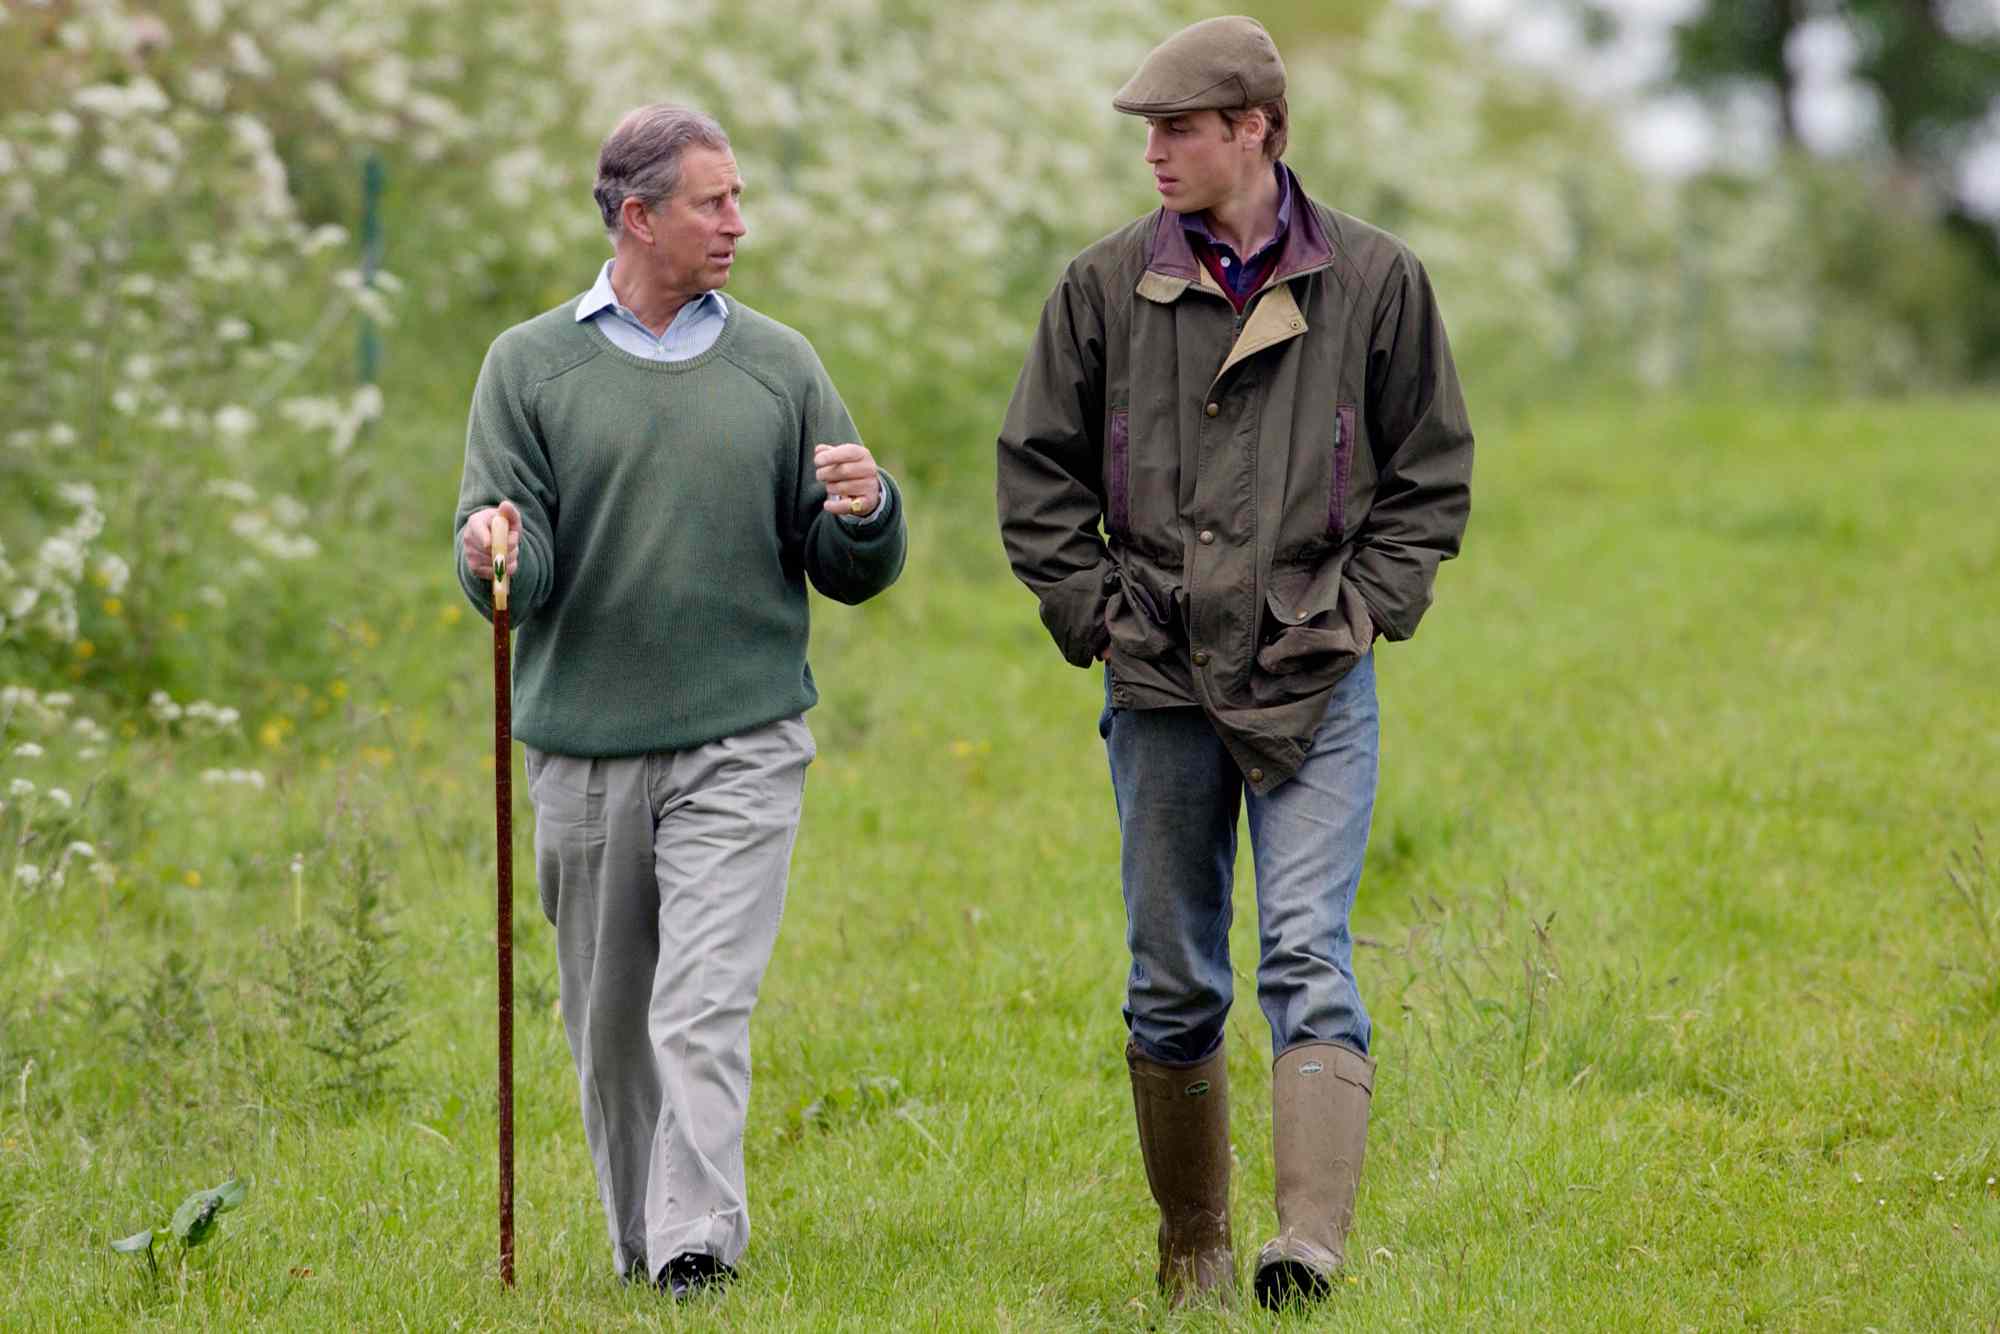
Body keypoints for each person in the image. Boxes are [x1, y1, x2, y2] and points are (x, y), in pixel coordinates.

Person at [995, 16, 1473, 1310]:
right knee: (1171, 974)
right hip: (1156, 679)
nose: (1153, 153)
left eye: (1178, 130)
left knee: (1308, 950)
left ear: (1255, 129)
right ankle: (1195, 1245)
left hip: (1317, 674)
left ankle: (1306, 1247)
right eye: (1147, 132)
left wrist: (1364, 606)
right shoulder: (1100, 291)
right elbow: (1035, 475)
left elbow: (1430, 476)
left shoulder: (1376, 284)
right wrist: (1101, 616)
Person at [453, 103, 906, 1298]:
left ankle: (696, 1244)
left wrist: (864, 512)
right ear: (637, 215)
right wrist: (492, 547)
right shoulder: (528, 366)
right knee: (610, 1030)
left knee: (700, 1002)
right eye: (714, 202)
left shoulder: (780, 364)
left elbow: (844, 567)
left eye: (739, 198)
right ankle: (638, 1244)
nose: (737, 224)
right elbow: (519, 565)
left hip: (742, 738)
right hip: (584, 746)